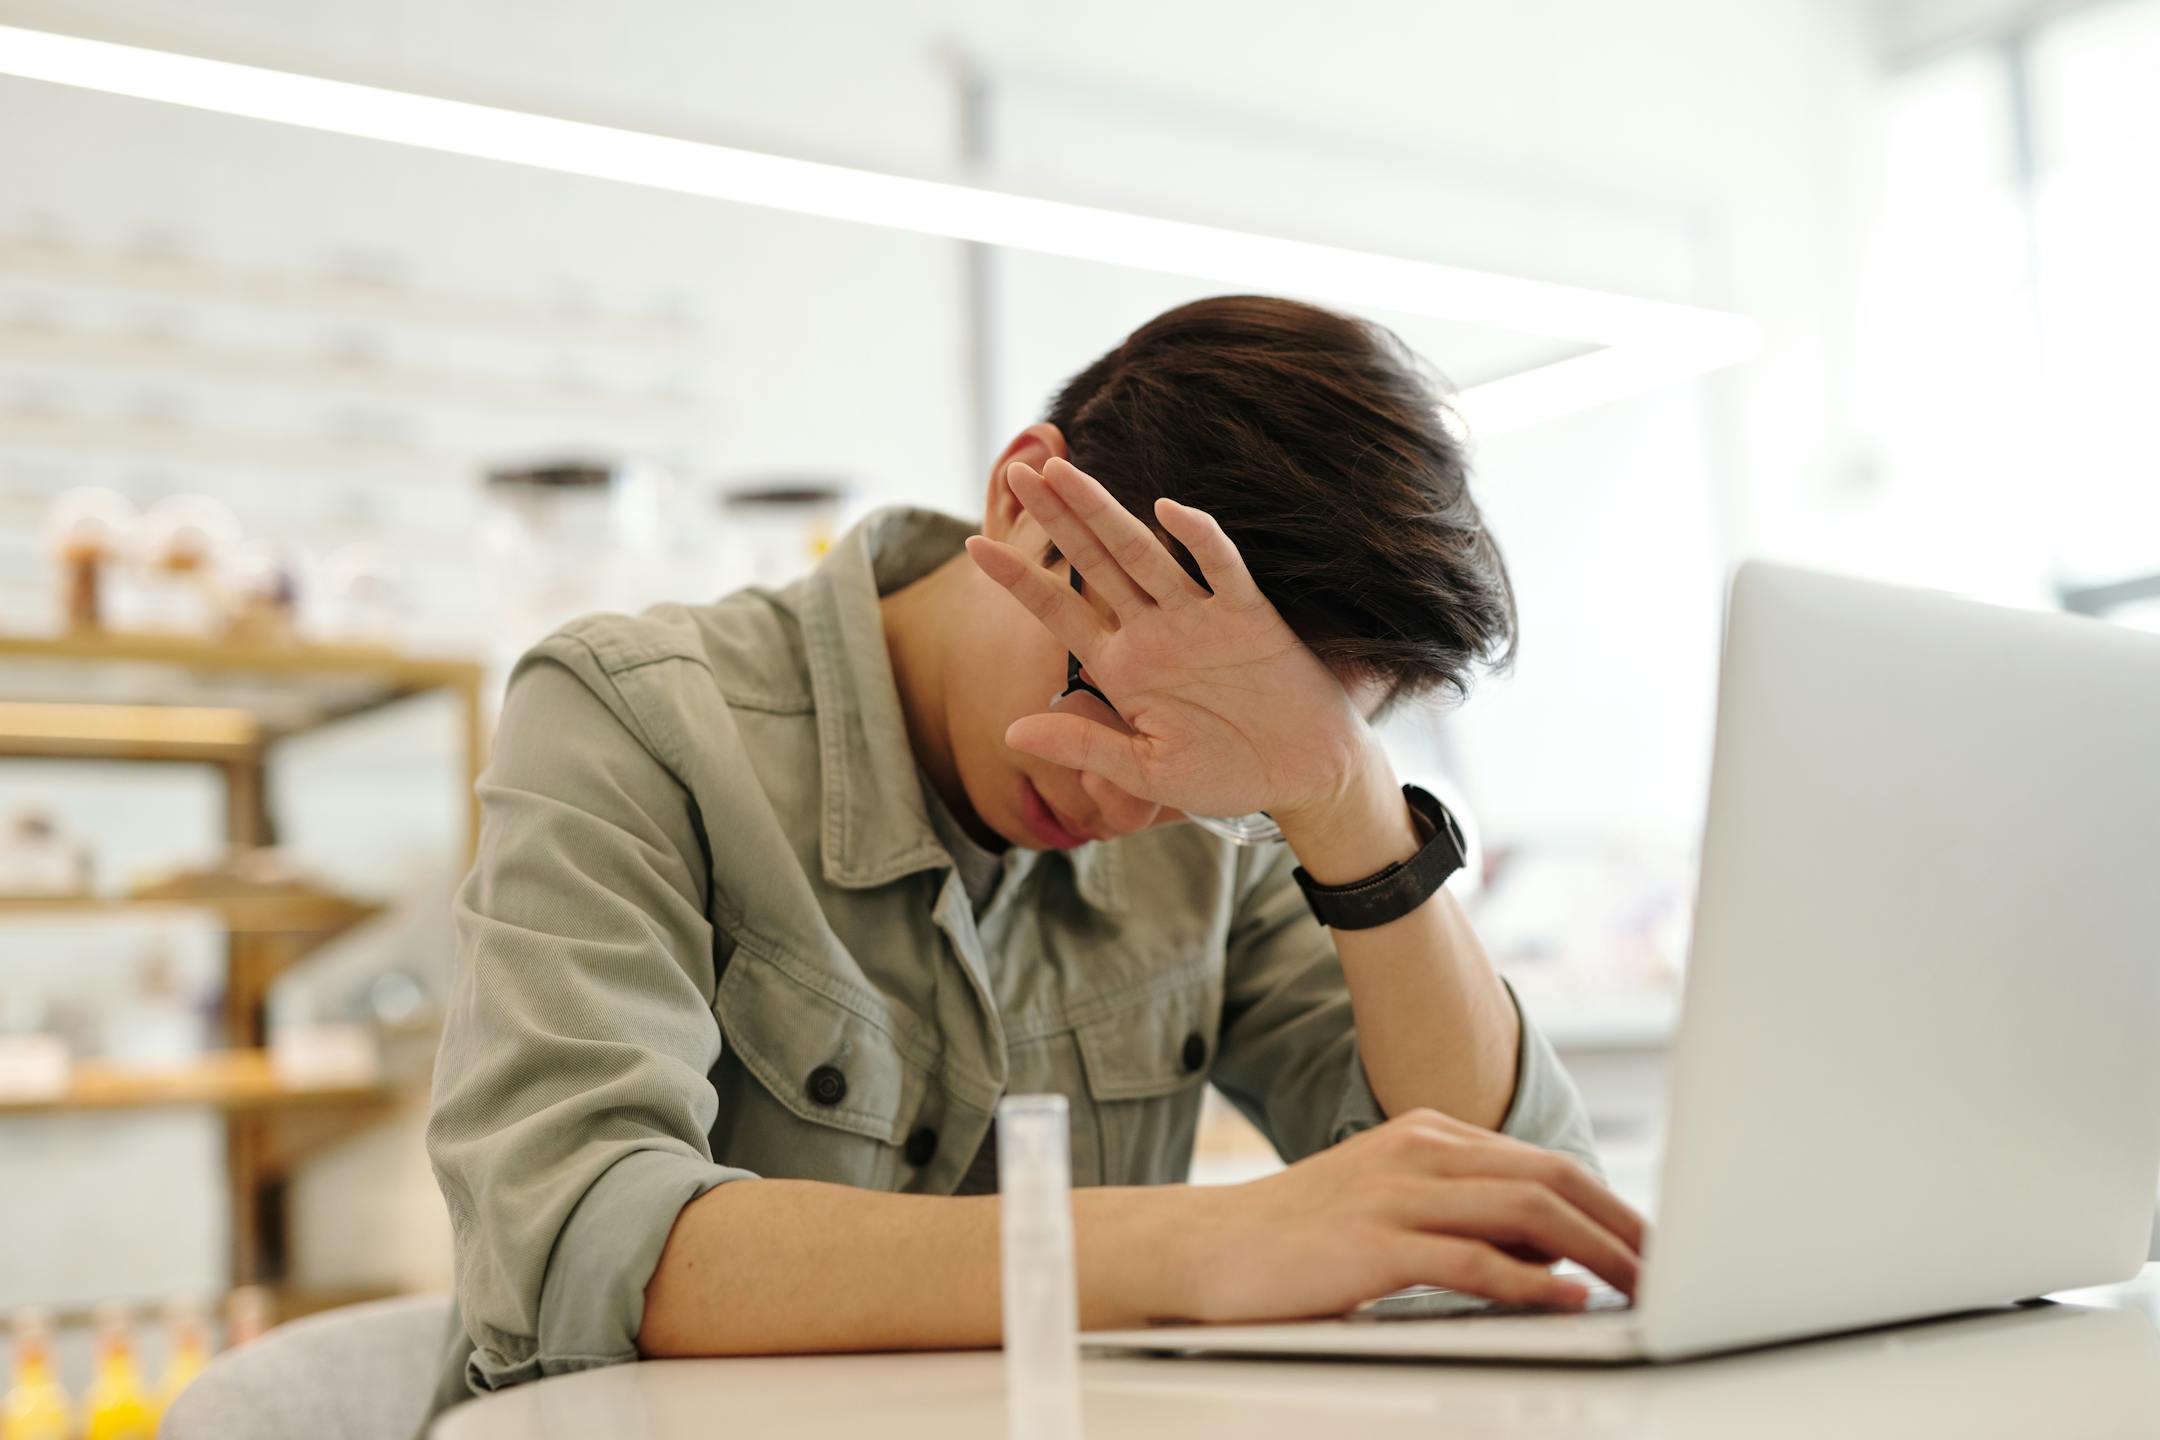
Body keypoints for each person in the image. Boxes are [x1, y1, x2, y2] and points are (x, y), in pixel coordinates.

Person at [421, 294, 1646, 1422]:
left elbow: (1516, 1212)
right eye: (1110, 688)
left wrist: (1342, 800)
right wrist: (1197, 1248)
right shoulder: (634, 717)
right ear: (1023, 498)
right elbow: (573, 1241)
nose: (1127, 792)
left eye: (1223, 759)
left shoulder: (1237, 812)